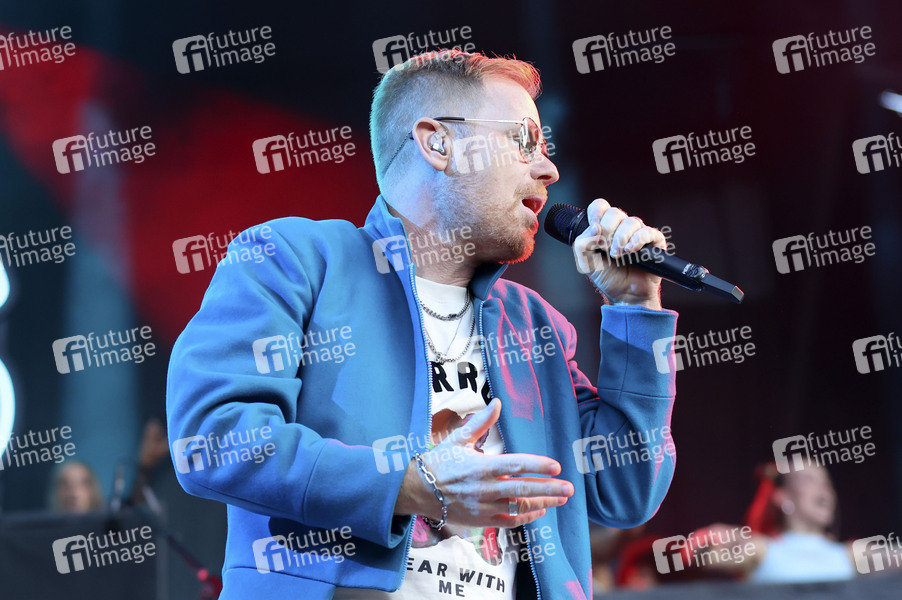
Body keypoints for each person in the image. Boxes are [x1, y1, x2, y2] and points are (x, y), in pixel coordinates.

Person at [167, 49, 679, 599]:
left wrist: (635, 307)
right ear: (438, 143)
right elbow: (213, 439)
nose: (548, 169)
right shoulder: (297, 259)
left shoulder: (533, 325)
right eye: (523, 140)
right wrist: (412, 487)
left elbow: (624, 491)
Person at [686, 463, 857, 584]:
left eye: (827, 482)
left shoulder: (851, 554)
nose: (824, 488)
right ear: (782, 496)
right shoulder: (763, 550)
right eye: (808, 480)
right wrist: (733, 538)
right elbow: (694, 552)